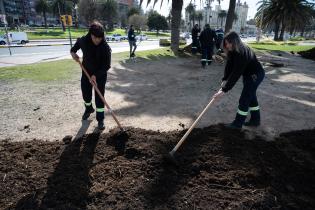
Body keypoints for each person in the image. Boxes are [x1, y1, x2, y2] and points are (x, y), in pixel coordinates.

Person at [213, 31, 265, 129]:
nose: (227, 45)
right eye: (226, 43)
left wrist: (224, 90)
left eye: (228, 43)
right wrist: (225, 79)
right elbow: (229, 66)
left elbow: (236, 73)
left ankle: (237, 124)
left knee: (245, 98)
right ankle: (255, 120)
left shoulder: (243, 52)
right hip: (248, 76)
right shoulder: (233, 51)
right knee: (251, 97)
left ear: (235, 41)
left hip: (255, 75)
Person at [70, 21, 111, 130]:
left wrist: (96, 76)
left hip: (100, 75)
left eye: (100, 38)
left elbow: (107, 65)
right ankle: (88, 109)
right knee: (86, 93)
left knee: (99, 97)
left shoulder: (105, 48)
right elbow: (75, 48)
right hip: (86, 72)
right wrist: (73, 53)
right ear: (90, 35)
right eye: (95, 37)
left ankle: (100, 119)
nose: (98, 40)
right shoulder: (83, 41)